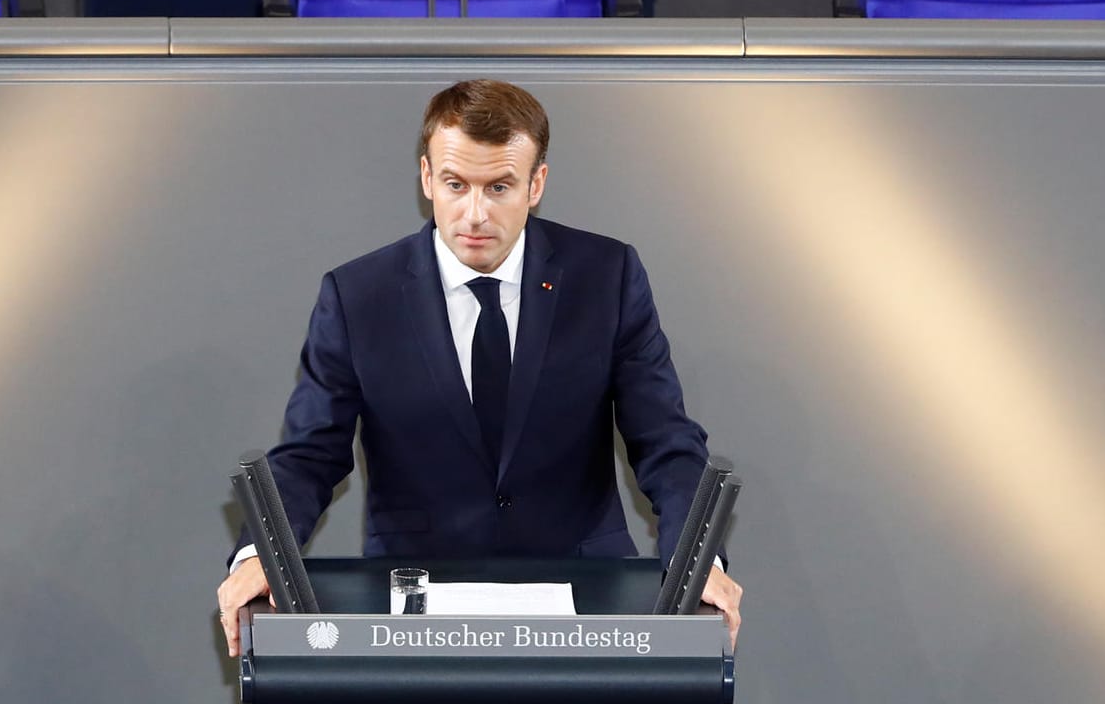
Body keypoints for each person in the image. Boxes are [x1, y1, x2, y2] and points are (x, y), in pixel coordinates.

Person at [218, 79, 742, 656]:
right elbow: (310, 454)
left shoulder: (606, 277)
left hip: (584, 600)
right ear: (426, 179)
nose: (475, 214)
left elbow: (665, 440)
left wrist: (699, 563)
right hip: (415, 606)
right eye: (455, 184)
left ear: (535, 183)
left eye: (498, 187)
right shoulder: (358, 296)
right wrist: (257, 556)